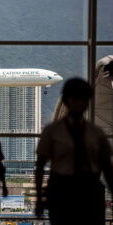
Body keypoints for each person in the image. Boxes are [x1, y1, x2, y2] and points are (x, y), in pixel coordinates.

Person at [35, 78, 113, 225]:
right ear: (66, 100)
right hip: (62, 192)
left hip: (89, 191)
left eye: (82, 99)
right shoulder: (52, 131)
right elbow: (39, 166)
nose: (78, 103)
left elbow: (107, 168)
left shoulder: (97, 133)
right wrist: (39, 198)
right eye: (74, 98)